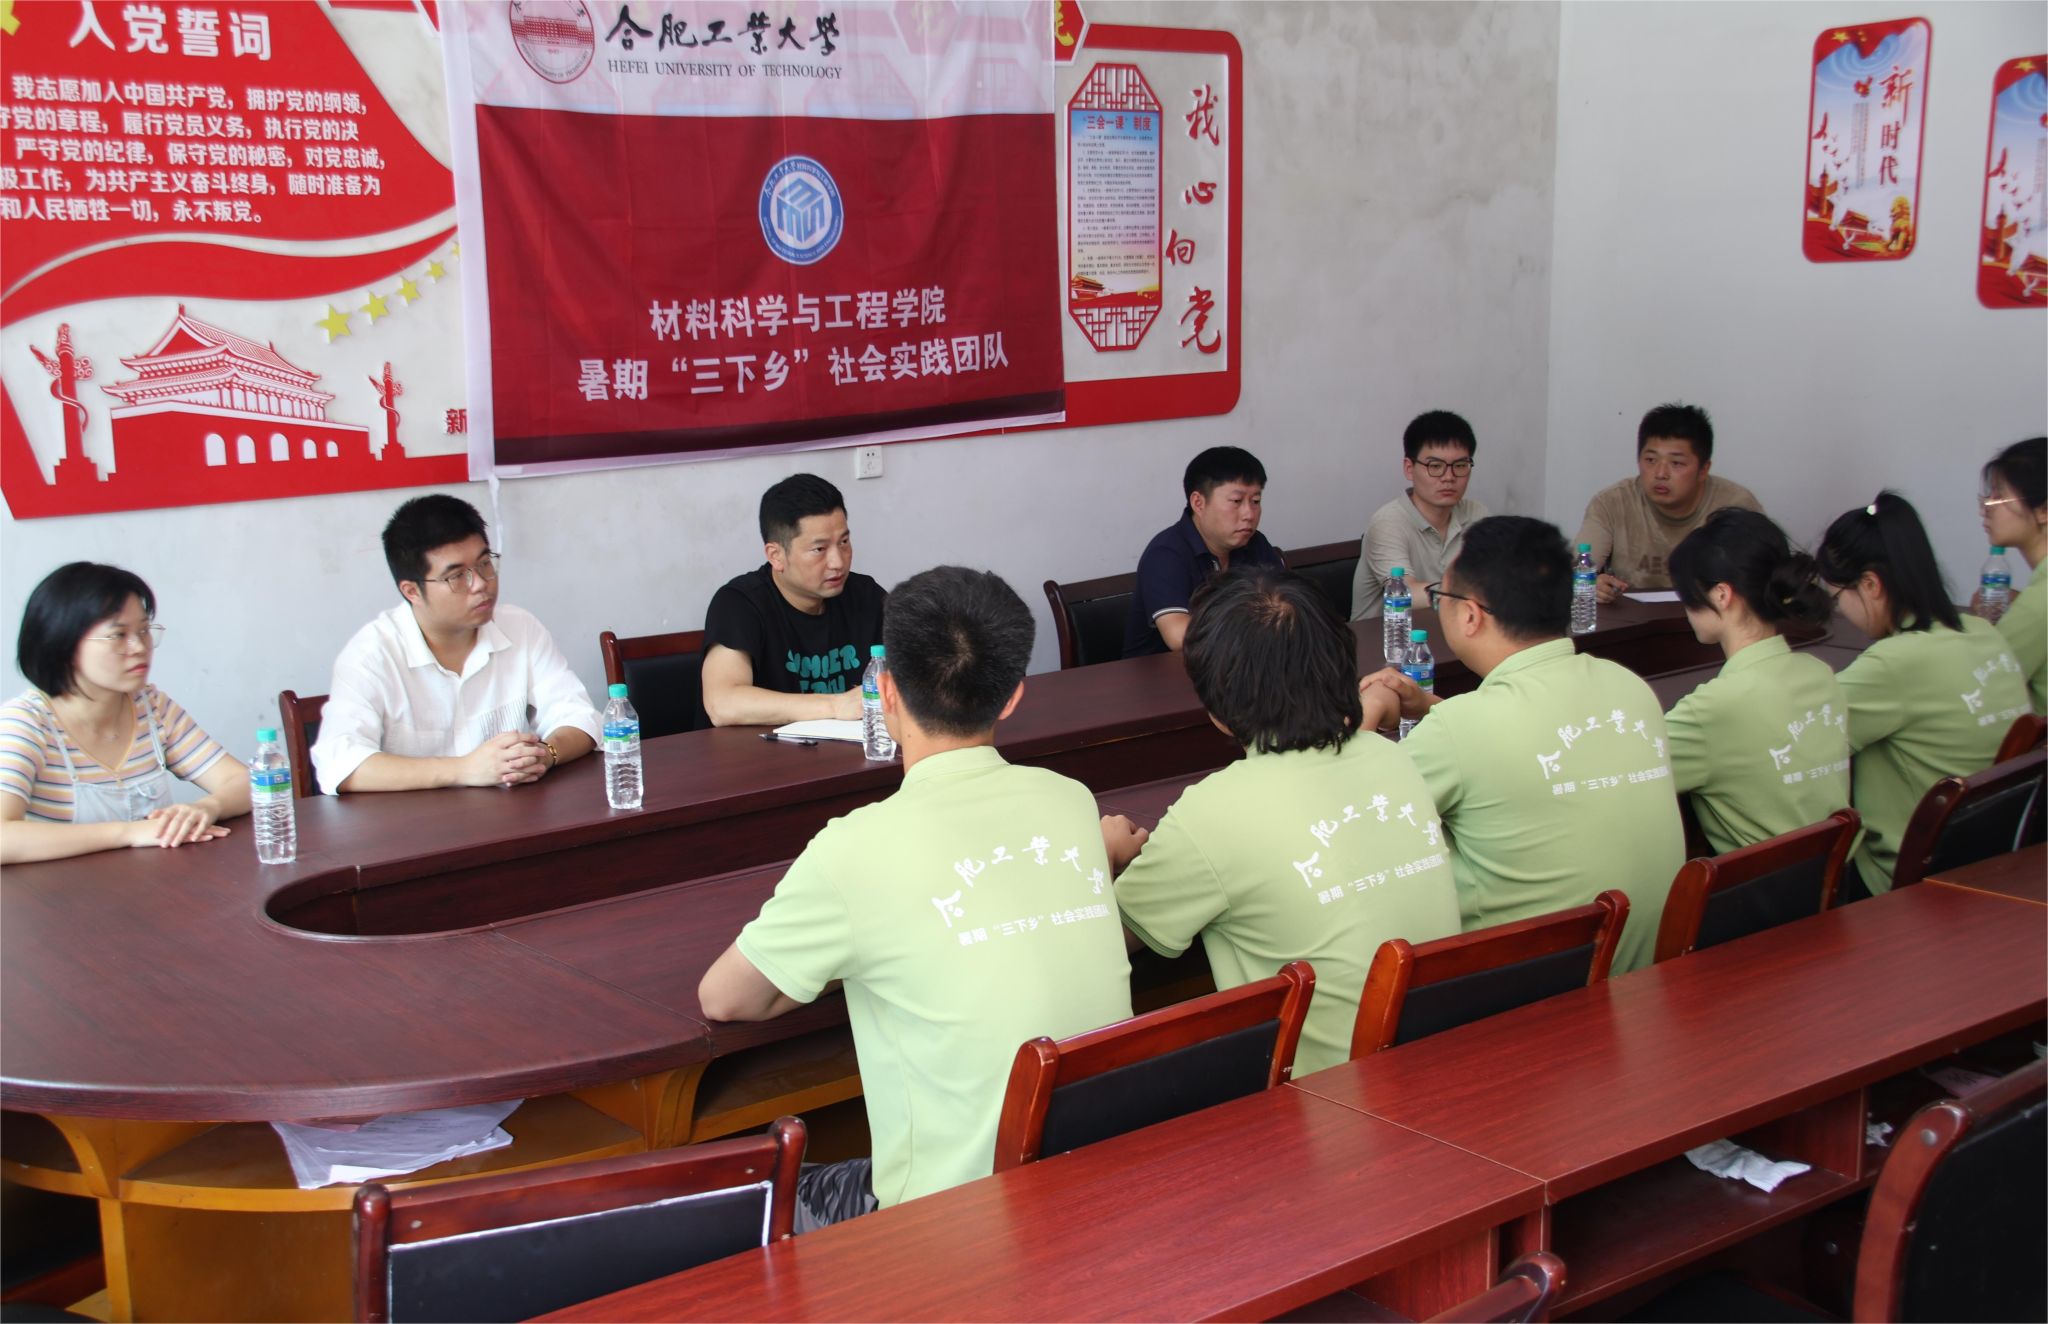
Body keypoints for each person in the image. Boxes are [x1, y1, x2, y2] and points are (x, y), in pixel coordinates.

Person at [698, 566, 1132, 1229]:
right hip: (1092, 1181)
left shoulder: (853, 847)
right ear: (1013, 696)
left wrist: (851, 954)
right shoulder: (1070, 801)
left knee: (753, 1194)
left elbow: (725, 999)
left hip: (948, 1226)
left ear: (887, 691)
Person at [1103, 567, 1458, 1075]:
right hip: (1441, 1060)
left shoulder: (1212, 814)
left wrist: (1104, 859)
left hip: (1327, 1095)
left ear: (1217, 709)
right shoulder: (1394, 758)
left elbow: (1109, 940)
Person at [1358, 517, 1683, 974]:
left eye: (1441, 597)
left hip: (1530, 990)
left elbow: (1352, 817)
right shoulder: (1629, 688)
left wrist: (1370, 711)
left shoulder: (1461, 729)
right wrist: (1431, 706)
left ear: (1470, 615)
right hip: (1646, 973)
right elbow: (1519, 740)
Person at [1816, 492, 2031, 898]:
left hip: (1904, 879)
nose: (1840, 610)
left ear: (1870, 585)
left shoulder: (1894, 664)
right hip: (1989, 857)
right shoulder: (1984, 633)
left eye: (1837, 597)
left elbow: (1802, 736)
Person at [311, 495, 599, 795]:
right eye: (457, 576)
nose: (481, 583)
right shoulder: (371, 655)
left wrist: (543, 755)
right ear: (412, 591)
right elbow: (339, 764)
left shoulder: (520, 627)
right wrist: (464, 769)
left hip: (514, 815)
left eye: (485, 564)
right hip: (416, 822)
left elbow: (581, 717)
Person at [1, 562, 248, 864]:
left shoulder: (151, 707)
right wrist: (128, 833)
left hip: (151, 885)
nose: (139, 647)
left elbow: (246, 782)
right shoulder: (25, 724)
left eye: (143, 630)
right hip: (60, 892)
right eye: (118, 635)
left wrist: (208, 807)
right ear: (63, 644)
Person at [1663, 510, 1850, 856]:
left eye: (1686, 596)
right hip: (1835, 875)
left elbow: (1627, 773)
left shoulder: (1716, 707)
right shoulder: (1820, 674)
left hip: (1763, 887)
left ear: (1721, 595)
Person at [700, 474, 887, 726]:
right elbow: (723, 704)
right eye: (819, 549)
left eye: (844, 542)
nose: (838, 562)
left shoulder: (865, 595)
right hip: (757, 750)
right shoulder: (739, 603)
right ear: (776, 555)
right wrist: (835, 705)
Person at [1576, 403, 1761, 603]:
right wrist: (1593, 585)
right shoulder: (1611, 503)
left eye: (1676, 463)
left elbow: (1760, 580)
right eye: (1650, 460)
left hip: (1711, 618)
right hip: (1633, 619)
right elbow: (1577, 571)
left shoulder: (1736, 506)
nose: (1660, 474)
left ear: (1703, 470)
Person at [1124, 446, 1283, 657]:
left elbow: (1288, 605)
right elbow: (1179, 636)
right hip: (1161, 673)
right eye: (1236, 501)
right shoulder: (1166, 553)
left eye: (1256, 501)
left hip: (1237, 664)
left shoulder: (1255, 543)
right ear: (1198, 503)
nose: (1249, 514)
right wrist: (1262, 625)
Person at [1351, 411, 1491, 621]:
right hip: (1384, 638)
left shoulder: (1476, 515)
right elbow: (1404, 593)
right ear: (1409, 468)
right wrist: (1472, 592)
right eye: (1435, 466)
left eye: (1460, 466)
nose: (1449, 477)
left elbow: (1497, 576)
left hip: (1450, 633)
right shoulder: (1388, 523)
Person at [1979, 437, 2046, 712]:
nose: (1986, 507)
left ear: (2044, 510)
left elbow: (1985, 683)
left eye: (1999, 496)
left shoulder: (2038, 605)